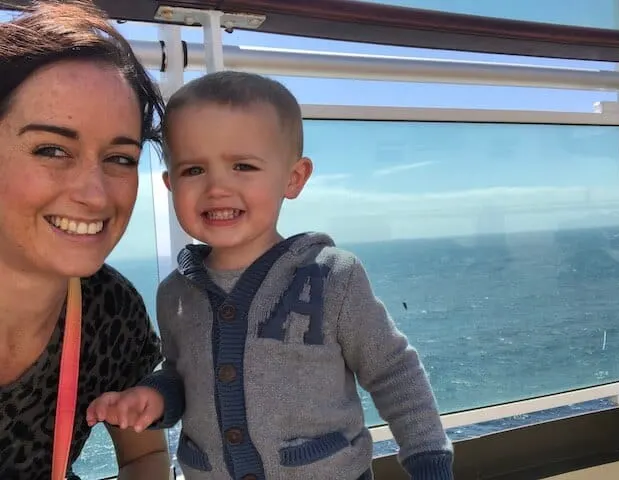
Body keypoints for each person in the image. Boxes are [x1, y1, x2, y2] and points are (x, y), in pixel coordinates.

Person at [87, 71, 454, 480]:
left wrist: (429, 462)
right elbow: (182, 376)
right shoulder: (175, 292)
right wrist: (154, 396)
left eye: (242, 166)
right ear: (171, 185)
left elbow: (393, 372)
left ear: (293, 178)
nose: (217, 188)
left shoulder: (332, 276)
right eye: (194, 170)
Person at [0, 1, 171, 479]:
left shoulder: (107, 306)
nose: (95, 196)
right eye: (52, 150)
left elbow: (146, 456)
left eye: (120, 158)